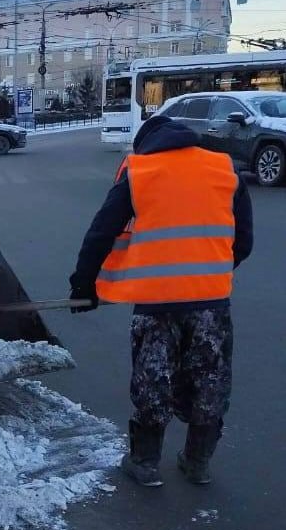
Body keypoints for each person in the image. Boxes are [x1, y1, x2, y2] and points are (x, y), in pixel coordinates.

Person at [69, 115, 253, 487]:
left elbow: (101, 232)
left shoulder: (139, 171)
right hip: (211, 303)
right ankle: (197, 463)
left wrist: (83, 286)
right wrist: (208, 270)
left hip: (156, 305)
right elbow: (244, 241)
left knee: (154, 380)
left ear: (147, 143)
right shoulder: (223, 168)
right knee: (209, 380)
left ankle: (145, 463)